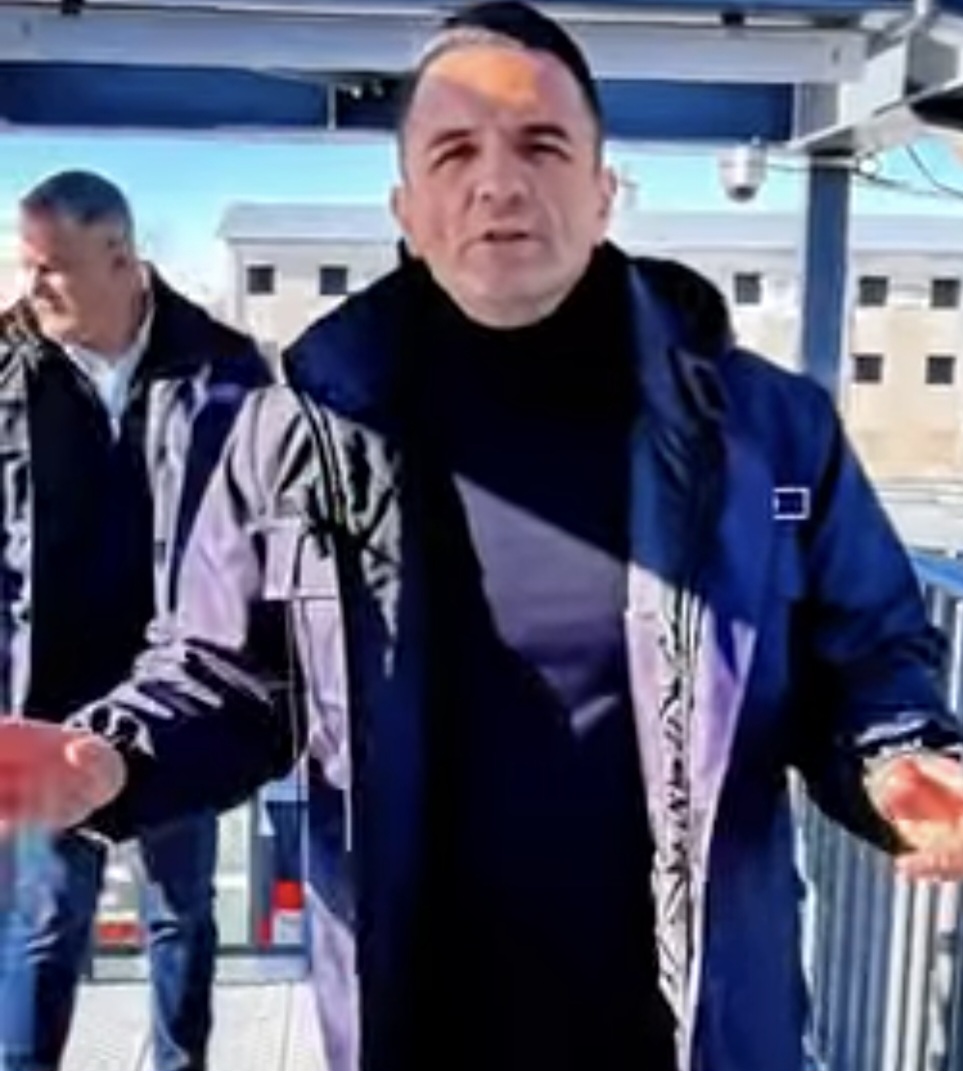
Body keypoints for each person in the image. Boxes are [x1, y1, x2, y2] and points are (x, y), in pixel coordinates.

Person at [2, 6, 963, 1071]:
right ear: (407, 209)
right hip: (414, 1019)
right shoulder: (298, 433)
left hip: (693, 1027)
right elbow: (227, 674)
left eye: (541, 145)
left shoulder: (769, 432)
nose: (498, 182)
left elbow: (866, 657)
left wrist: (899, 764)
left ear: (603, 190)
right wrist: (111, 758)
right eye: (454, 152)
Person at [0, 171, 270, 1071]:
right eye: (26, 266)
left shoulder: (227, 371)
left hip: (182, 697)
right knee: (45, 920)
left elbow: (257, 542)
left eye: (49, 268)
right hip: (48, 699)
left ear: (119, 258)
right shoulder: (5, 371)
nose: (30, 287)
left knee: (181, 913)